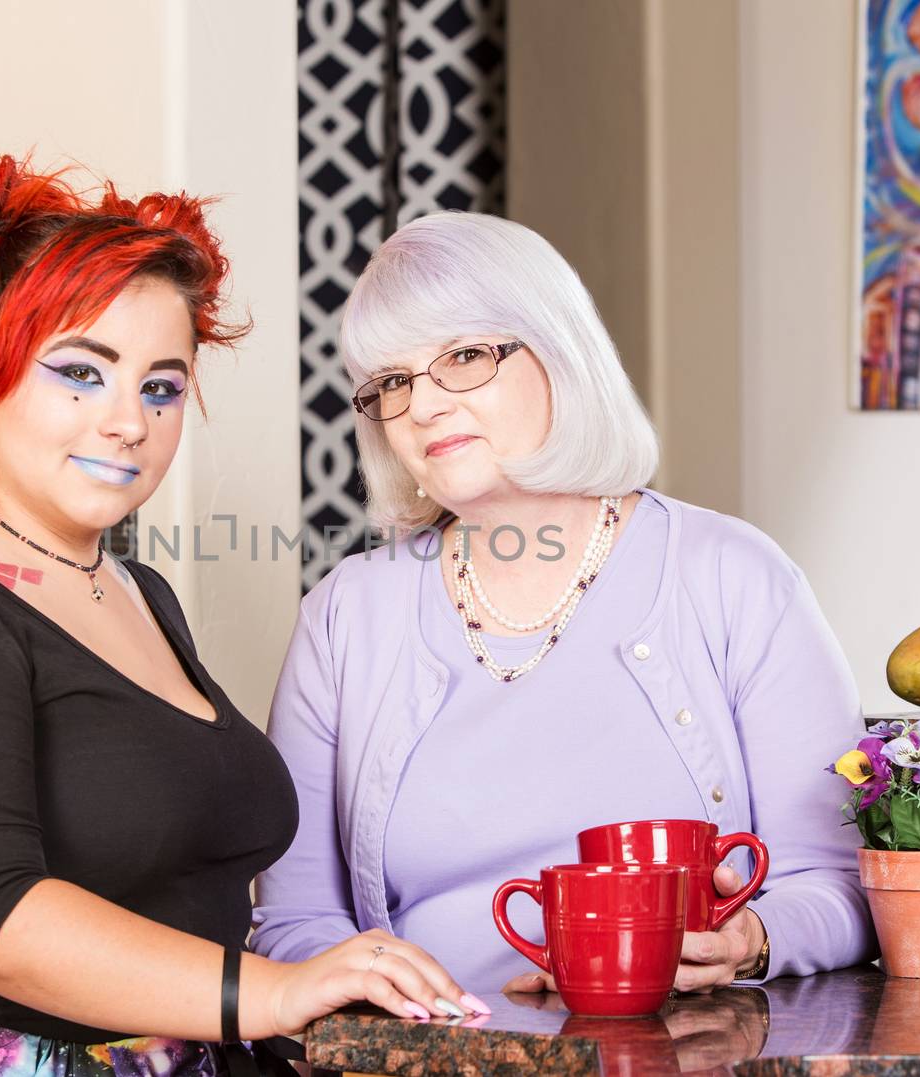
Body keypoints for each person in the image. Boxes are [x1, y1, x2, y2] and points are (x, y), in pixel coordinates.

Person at [0, 157, 480, 1077]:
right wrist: (275, 989)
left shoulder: (138, 592)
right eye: (81, 372)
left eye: (161, 386)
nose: (128, 420)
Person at [252, 211, 875, 998]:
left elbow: (840, 883)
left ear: (561, 352)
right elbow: (295, 920)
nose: (424, 406)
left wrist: (753, 938)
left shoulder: (735, 577)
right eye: (394, 382)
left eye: (466, 356)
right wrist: (403, 1008)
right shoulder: (343, 619)